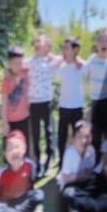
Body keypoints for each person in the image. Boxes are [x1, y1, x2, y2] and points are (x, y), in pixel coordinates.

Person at [58, 120, 107, 212]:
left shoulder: (91, 150)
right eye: (80, 137)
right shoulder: (69, 153)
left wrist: (83, 176)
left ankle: (82, 211)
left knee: (102, 181)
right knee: (68, 194)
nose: (84, 140)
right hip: (71, 185)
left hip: (85, 183)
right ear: (73, 138)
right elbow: (66, 178)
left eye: (87, 136)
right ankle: (95, 207)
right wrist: (81, 176)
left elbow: (89, 173)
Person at [25, 33, 60, 174]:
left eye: (42, 42)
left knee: (48, 132)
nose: (38, 43)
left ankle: (48, 162)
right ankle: (38, 163)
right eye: (37, 41)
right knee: (35, 134)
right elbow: (18, 64)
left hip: (46, 102)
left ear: (47, 46)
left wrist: (49, 54)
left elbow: (62, 58)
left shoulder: (51, 63)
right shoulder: (30, 62)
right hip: (33, 103)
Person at [87, 30, 107, 145]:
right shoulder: (92, 59)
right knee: (95, 135)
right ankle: (96, 161)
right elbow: (84, 73)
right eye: (101, 40)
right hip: (94, 102)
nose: (103, 43)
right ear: (97, 44)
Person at [56, 37, 87, 151]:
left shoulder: (81, 65)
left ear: (75, 50)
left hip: (77, 107)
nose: (64, 50)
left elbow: (88, 68)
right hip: (63, 106)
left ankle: (78, 160)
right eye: (64, 48)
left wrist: (77, 58)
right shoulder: (61, 65)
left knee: (78, 135)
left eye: (67, 48)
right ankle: (61, 161)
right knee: (61, 136)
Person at [0, 46, 32, 153]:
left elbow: (37, 59)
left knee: (24, 148)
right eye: (14, 63)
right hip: (10, 121)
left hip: (24, 118)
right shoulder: (7, 79)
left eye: (20, 63)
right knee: (9, 149)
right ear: (9, 63)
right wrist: (4, 122)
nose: (18, 66)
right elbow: (4, 102)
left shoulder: (26, 72)